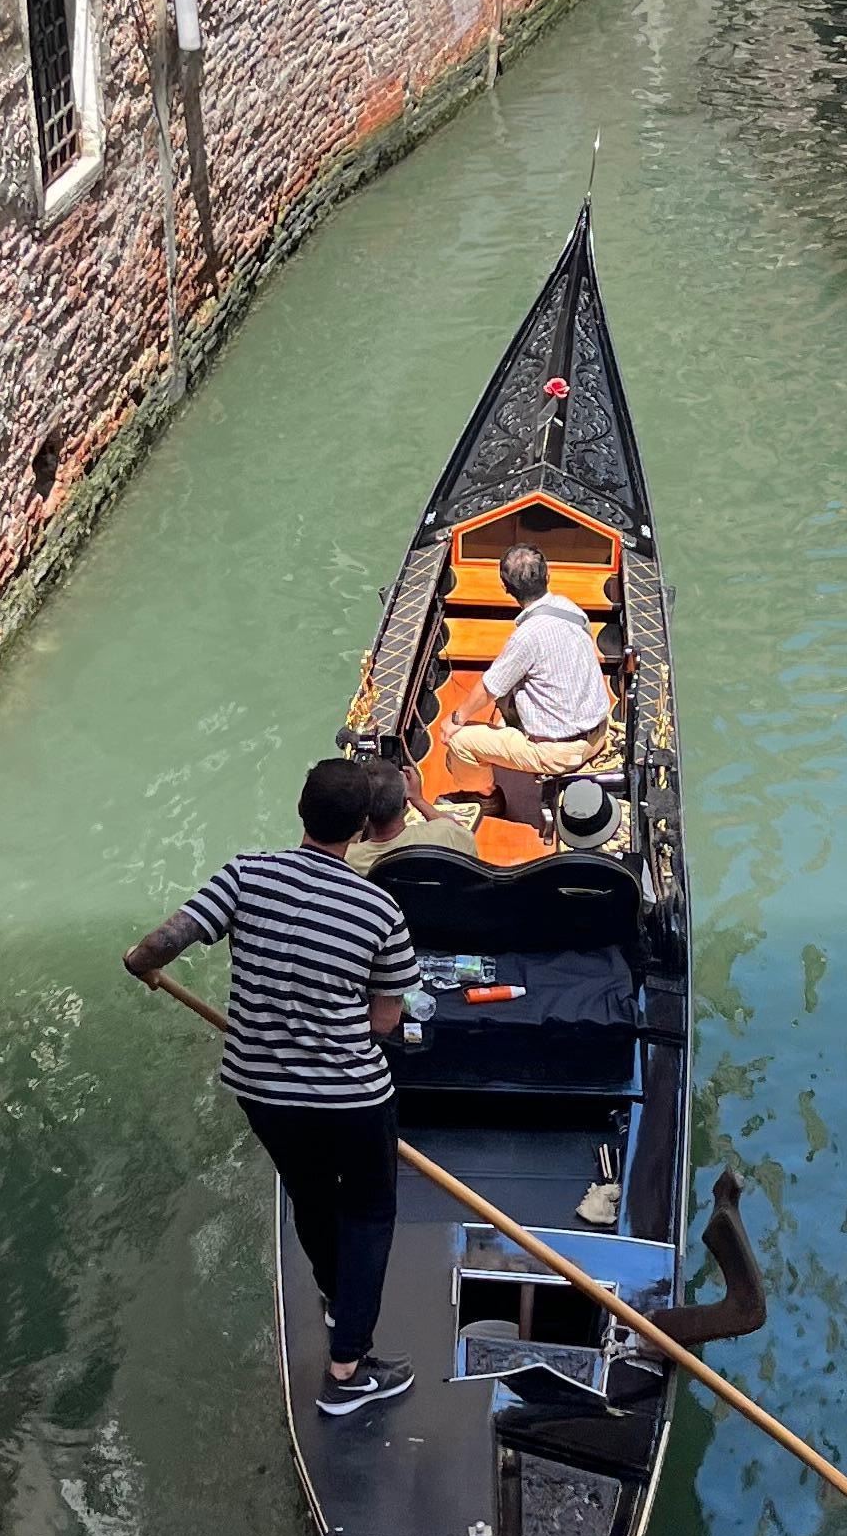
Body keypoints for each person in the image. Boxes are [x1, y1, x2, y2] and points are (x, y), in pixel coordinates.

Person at [124, 755, 419, 1418]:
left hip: (260, 1088)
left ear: (300, 810)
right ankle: (347, 1369)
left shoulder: (245, 874)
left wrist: (142, 965)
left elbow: (163, 941)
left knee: (312, 1197)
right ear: (367, 827)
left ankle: (334, 1297)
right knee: (369, 1212)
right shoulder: (379, 909)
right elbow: (384, 1020)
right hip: (351, 1096)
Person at [448, 541, 612, 781]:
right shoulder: (571, 609)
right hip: (598, 733)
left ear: (505, 587)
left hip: (557, 753)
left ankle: (485, 796)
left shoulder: (526, 637)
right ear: (548, 575)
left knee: (458, 740)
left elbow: (489, 688)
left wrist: (456, 719)